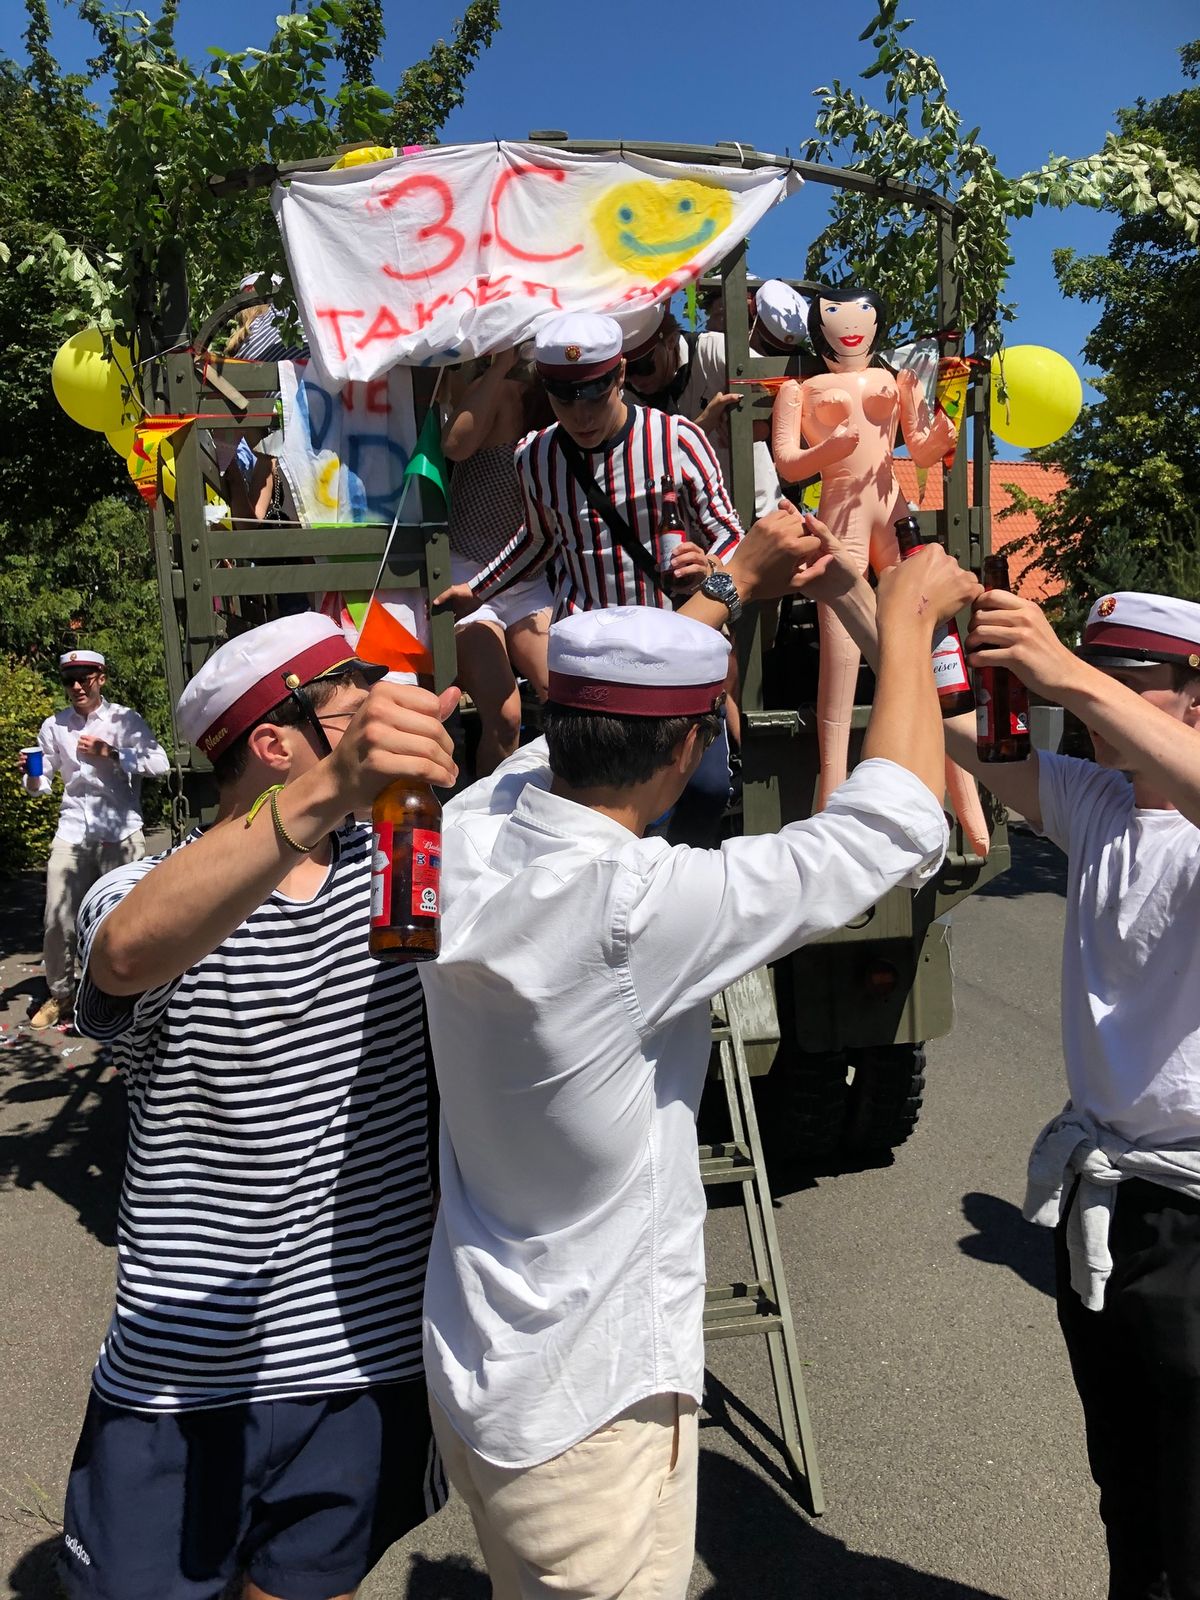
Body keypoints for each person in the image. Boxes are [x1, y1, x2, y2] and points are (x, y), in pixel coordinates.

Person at [418, 509, 981, 1599]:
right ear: (686, 750)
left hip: (486, 1372)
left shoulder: (469, 830)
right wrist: (901, 630)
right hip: (594, 1416)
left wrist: (732, 582)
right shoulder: (637, 907)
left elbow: (579, 721)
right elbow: (892, 828)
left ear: (553, 721)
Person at [810, 535, 1200, 1600]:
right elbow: (949, 724)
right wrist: (863, 594)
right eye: (1095, 677)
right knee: (1127, 1491)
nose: (1094, 703)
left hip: (1195, 1215)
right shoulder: (1104, 803)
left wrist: (1061, 668)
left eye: (1128, 684)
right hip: (1109, 1201)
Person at [59, 614, 459, 1600]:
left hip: (365, 1359)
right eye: (354, 712)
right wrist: (334, 789)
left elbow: (599, 766)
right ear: (280, 747)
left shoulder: (400, 863)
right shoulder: (144, 886)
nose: (382, 722)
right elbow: (122, 955)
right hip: (182, 1378)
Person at [435, 310, 746, 846]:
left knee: (706, 787)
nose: (580, 414)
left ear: (619, 376)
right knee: (593, 801)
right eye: (563, 398)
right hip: (592, 652)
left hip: (675, 640)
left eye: (593, 395)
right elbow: (538, 541)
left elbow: (732, 537)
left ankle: (672, 883)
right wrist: (478, 590)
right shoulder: (535, 456)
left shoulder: (678, 440)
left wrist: (712, 565)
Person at [19, 649, 168, 1030]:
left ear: (100, 677)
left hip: (119, 830)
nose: (75, 686)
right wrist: (32, 775)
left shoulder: (124, 720)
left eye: (83, 677)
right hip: (72, 829)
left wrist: (112, 752)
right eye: (69, 679)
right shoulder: (55, 726)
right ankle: (62, 995)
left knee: (125, 919)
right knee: (57, 917)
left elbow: (160, 763)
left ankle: (126, 993)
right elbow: (41, 787)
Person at [443, 347, 553, 774]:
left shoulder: (574, 402)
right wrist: (502, 364)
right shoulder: (501, 391)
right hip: (468, 572)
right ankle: (484, 818)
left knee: (566, 694)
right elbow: (455, 445)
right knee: (506, 718)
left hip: (526, 576)